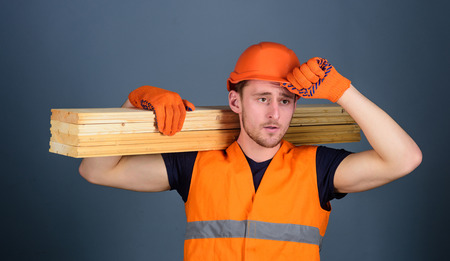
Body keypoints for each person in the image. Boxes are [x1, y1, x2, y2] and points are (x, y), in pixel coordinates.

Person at [79, 42, 422, 260]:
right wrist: (132, 103)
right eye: (262, 99)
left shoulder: (319, 168)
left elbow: (405, 159)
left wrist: (340, 90)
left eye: (285, 101)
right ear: (235, 102)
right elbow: (96, 170)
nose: (275, 113)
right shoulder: (195, 163)